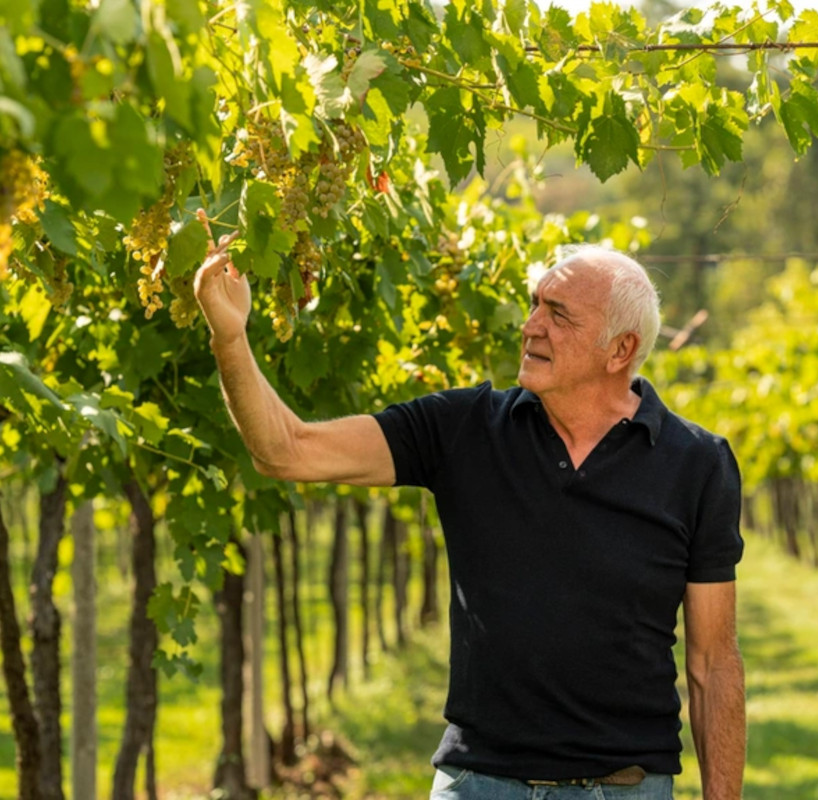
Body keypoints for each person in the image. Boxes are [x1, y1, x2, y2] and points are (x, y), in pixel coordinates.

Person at [194, 233, 746, 799]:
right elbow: (287, 450)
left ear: (620, 350)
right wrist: (229, 336)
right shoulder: (464, 429)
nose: (531, 325)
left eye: (559, 315)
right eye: (535, 304)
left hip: (622, 789)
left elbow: (713, 662)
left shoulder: (697, 464)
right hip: (479, 785)